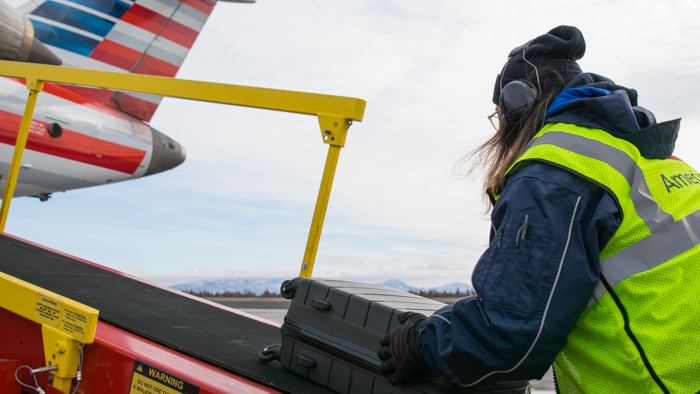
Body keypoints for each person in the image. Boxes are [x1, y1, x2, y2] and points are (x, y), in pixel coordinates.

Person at [377, 25, 700, 393]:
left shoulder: (557, 171)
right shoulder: (659, 159)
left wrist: (421, 343)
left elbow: (509, 332)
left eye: (499, 115)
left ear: (518, 104)